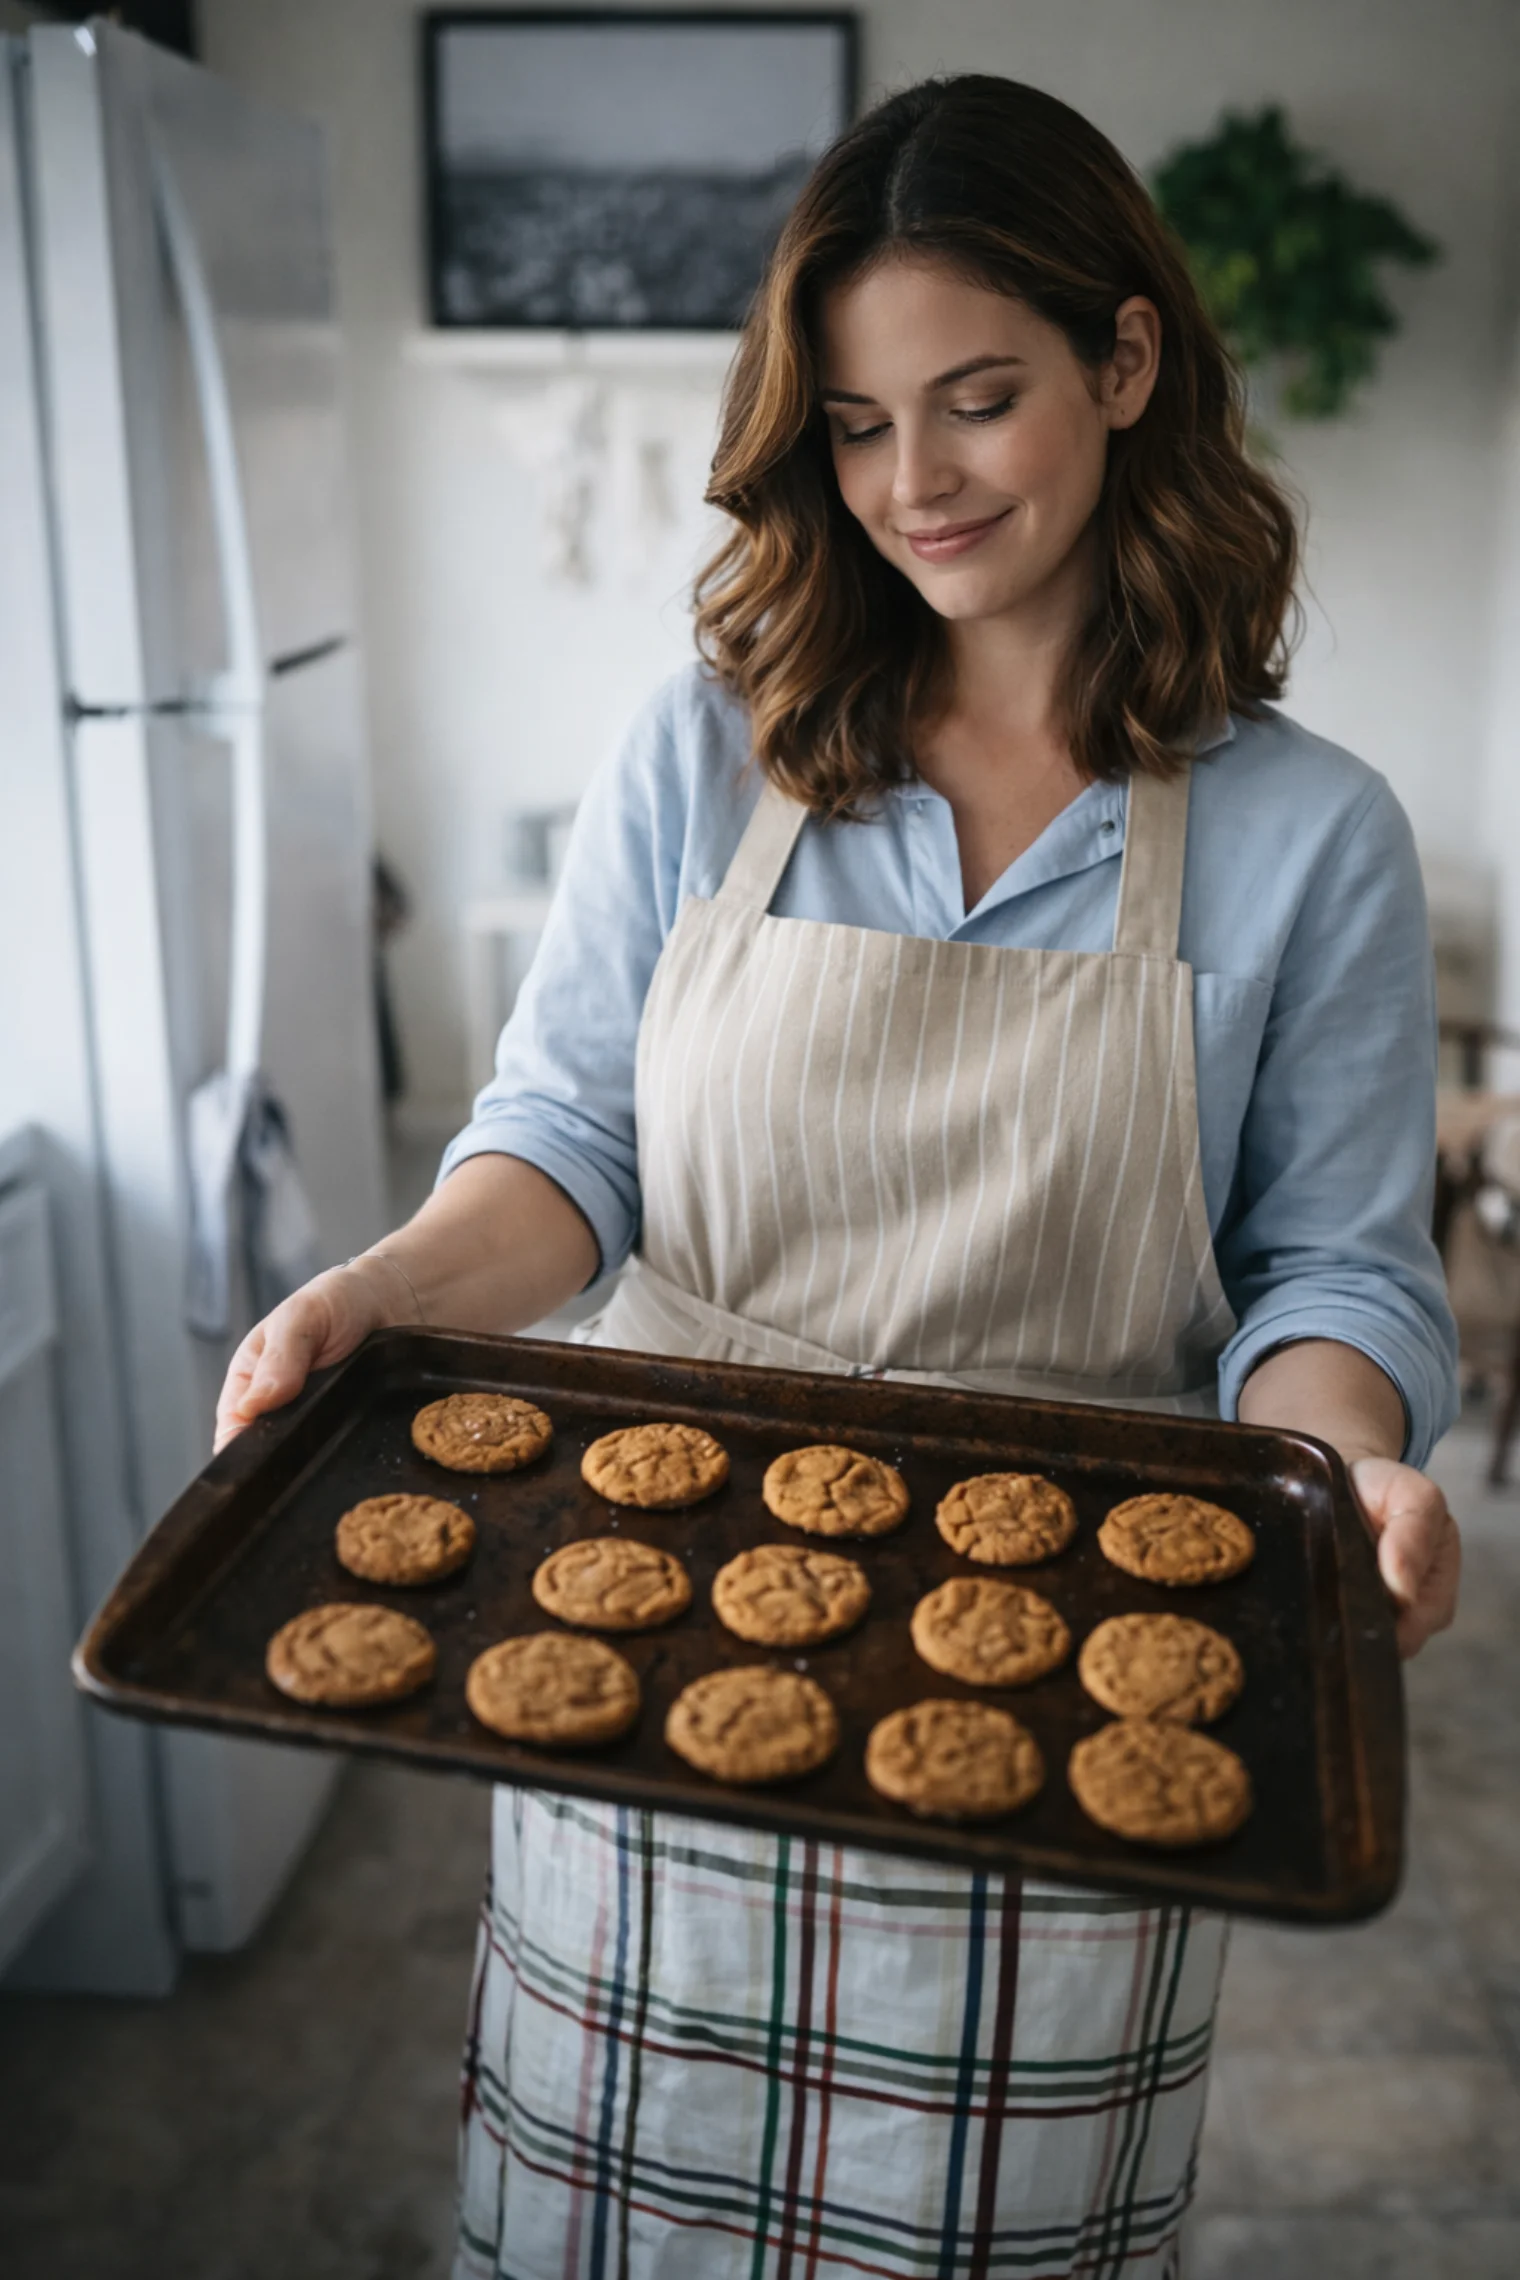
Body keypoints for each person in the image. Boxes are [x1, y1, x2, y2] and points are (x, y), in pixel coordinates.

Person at [217, 75, 1461, 2280]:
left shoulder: (1309, 832)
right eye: (858, 428)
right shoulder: (713, 737)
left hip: (1073, 1697)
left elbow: (1328, 1279)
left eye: (974, 402)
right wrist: (380, 1291)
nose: (915, 485)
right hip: (661, 1657)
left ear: (1127, 358)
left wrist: (1337, 1476)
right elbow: (574, 1144)